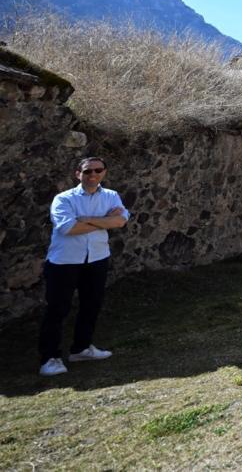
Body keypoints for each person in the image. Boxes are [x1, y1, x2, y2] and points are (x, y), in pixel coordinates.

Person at [38, 156, 130, 377]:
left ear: (104, 173)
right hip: (65, 261)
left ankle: (81, 348)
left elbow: (121, 221)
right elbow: (68, 228)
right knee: (57, 309)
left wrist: (86, 219)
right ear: (78, 174)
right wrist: (103, 220)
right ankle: (50, 358)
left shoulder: (110, 195)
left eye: (98, 170)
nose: (93, 175)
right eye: (88, 171)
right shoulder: (64, 199)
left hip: (96, 258)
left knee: (91, 305)